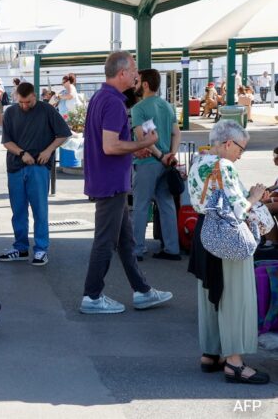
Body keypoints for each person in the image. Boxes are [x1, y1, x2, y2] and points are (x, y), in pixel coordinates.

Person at [79, 51, 172, 315]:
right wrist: (143, 143)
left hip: (109, 181)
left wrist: (133, 149)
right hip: (111, 183)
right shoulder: (112, 102)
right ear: (121, 73)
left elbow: (108, 144)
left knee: (125, 241)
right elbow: (110, 146)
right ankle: (92, 296)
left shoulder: (102, 97)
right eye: (133, 71)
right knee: (105, 241)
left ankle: (142, 291)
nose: (136, 75)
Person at [187, 120, 270, 384]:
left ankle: (211, 354)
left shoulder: (199, 162)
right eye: (241, 149)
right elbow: (238, 209)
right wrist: (256, 195)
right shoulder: (225, 166)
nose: (241, 155)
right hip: (228, 235)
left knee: (211, 294)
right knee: (235, 298)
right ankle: (234, 363)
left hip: (205, 232)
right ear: (227, 143)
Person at [0, 82, 71, 266]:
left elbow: (63, 134)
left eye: (28, 102)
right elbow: (6, 141)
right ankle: (21, 247)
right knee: (18, 211)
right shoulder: (10, 112)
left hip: (39, 166)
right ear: (16, 97)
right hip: (15, 166)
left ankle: (41, 249)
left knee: (40, 210)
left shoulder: (46, 110)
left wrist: (48, 151)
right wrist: (22, 153)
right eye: (21, 102)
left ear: (35, 96)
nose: (24, 105)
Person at [131, 68, 182, 262]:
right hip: (167, 164)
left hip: (148, 162)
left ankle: (137, 248)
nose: (135, 85)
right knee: (166, 204)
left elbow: (143, 136)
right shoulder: (167, 106)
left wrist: (160, 155)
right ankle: (172, 248)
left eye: (137, 82)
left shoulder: (140, 108)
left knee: (141, 205)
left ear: (145, 84)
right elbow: (176, 133)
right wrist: (171, 154)